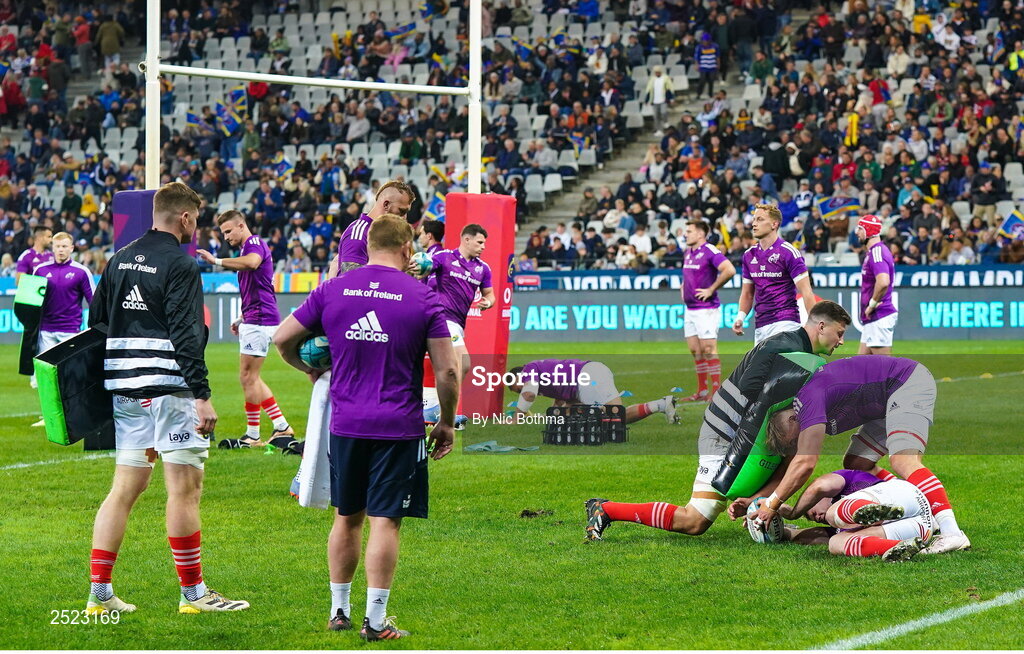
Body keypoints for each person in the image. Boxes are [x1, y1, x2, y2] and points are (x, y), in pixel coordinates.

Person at [273, 214, 459, 640]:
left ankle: (339, 612)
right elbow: (448, 371)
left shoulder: (332, 289)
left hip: (347, 423)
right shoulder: (423, 296)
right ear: (408, 249)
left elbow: (282, 339)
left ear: (368, 244)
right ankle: (374, 622)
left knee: (346, 517)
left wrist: (310, 370)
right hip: (399, 426)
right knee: (386, 522)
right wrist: (446, 423)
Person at [85, 182, 248, 615]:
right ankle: (193, 595)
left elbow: (97, 321)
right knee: (184, 490)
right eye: (195, 219)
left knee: (124, 489)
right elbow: (185, 332)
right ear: (185, 219)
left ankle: (99, 595)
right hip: (170, 390)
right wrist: (202, 395)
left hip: (125, 390)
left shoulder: (118, 259)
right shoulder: (182, 264)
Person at [585, 301, 851, 540]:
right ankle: (605, 509)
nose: (840, 341)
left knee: (794, 456)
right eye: (839, 333)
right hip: (724, 434)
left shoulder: (800, 352)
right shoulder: (782, 348)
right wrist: (745, 459)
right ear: (821, 325)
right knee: (694, 521)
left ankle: (767, 516)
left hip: (744, 434)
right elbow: (749, 395)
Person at [752, 356, 970, 555]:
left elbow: (806, 463)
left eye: (792, 440)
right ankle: (915, 502)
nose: (797, 444)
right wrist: (757, 501)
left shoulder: (807, 401)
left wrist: (772, 504)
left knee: (903, 460)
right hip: (885, 402)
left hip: (905, 383)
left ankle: (951, 532)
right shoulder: (806, 403)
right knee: (856, 463)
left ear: (792, 420)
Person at [197, 210, 293, 447]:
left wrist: (216, 261)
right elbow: (257, 287)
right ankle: (282, 427)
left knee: (248, 377)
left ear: (241, 226)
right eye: (223, 233)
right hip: (256, 317)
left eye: (228, 231)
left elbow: (252, 264)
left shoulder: (253, 244)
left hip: (259, 320)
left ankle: (253, 435)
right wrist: (242, 318)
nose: (226, 237)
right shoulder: (246, 248)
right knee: (252, 377)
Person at [775, 469, 934, 562]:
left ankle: (873, 510)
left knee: (832, 514)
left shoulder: (848, 478)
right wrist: (775, 528)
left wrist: (793, 512)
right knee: (835, 543)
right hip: (922, 529)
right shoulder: (837, 528)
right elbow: (802, 536)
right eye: (812, 519)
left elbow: (818, 487)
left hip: (904, 496)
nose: (816, 517)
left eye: (812, 511)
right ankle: (897, 547)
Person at [420, 224, 496, 380]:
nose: (484, 247)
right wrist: (419, 267)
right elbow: (426, 269)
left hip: (458, 324)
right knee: (463, 363)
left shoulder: (483, 269)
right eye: (480, 242)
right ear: (467, 239)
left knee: (450, 369)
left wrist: (487, 303)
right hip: (441, 319)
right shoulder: (444, 257)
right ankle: (447, 403)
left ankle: (439, 401)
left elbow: (490, 295)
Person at [733, 203, 816, 344]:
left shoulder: (789, 252)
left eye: (760, 219)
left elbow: (806, 292)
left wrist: (815, 326)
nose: (754, 224)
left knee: (779, 366)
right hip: (760, 325)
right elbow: (747, 293)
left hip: (786, 323)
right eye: (754, 219)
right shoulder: (748, 255)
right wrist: (740, 317)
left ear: (774, 224)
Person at [506, 359, 677, 424]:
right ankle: (662, 404)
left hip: (586, 379)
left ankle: (660, 405)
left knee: (616, 418)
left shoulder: (529, 369)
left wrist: (516, 418)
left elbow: (529, 394)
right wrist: (552, 415)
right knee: (574, 417)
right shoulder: (542, 376)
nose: (520, 391)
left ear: (520, 374)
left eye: (517, 387)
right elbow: (561, 402)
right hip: (590, 374)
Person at [680, 220, 736, 402]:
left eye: (689, 231)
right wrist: (683, 288)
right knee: (695, 350)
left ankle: (716, 391)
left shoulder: (710, 250)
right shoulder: (688, 252)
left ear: (700, 234)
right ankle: (702, 391)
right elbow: (688, 276)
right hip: (690, 309)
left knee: (709, 349)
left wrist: (711, 289)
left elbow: (729, 270)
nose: (685, 234)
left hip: (706, 309)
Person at [333, 180, 415, 274]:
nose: (404, 217)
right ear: (386, 205)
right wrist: (396, 270)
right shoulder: (358, 234)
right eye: (402, 211)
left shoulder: (387, 235)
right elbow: (352, 281)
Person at [34, 231, 94, 353]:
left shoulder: (82, 272)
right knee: (46, 370)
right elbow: (31, 301)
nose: (61, 250)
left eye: (64, 246)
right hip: (46, 330)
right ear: (53, 248)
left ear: (71, 248)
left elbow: (94, 301)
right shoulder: (40, 270)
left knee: (69, 371)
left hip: (71, 330)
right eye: (58, 246)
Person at [856, 215, 897, 355]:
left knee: (884, 369)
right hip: (873, 318)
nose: (857, 232)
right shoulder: (874, 252)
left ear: (869, 231)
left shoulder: (877, 252)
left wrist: (872, 304)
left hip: (879, 315)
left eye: (860, 229)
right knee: (861, 367)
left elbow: (883, 281)